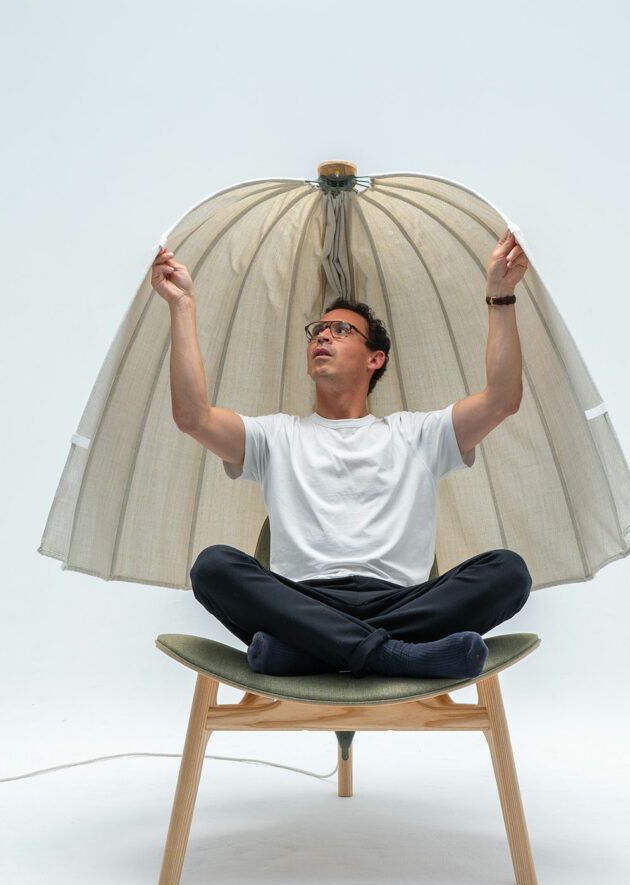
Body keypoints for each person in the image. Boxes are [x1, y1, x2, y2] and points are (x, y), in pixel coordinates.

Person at [150, 230, 532, 680]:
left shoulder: (418, 434)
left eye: (341, 330)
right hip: (302, 600)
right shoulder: (276, 436)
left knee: (508, 572)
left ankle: (310, 652)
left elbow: (502, 399)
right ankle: (395, 656)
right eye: (318, 330)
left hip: (401, 600)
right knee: (214, 567)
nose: (322, 337)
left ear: (375, 359)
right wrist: (182, 306)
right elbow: (193, 417)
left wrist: (500, 297)